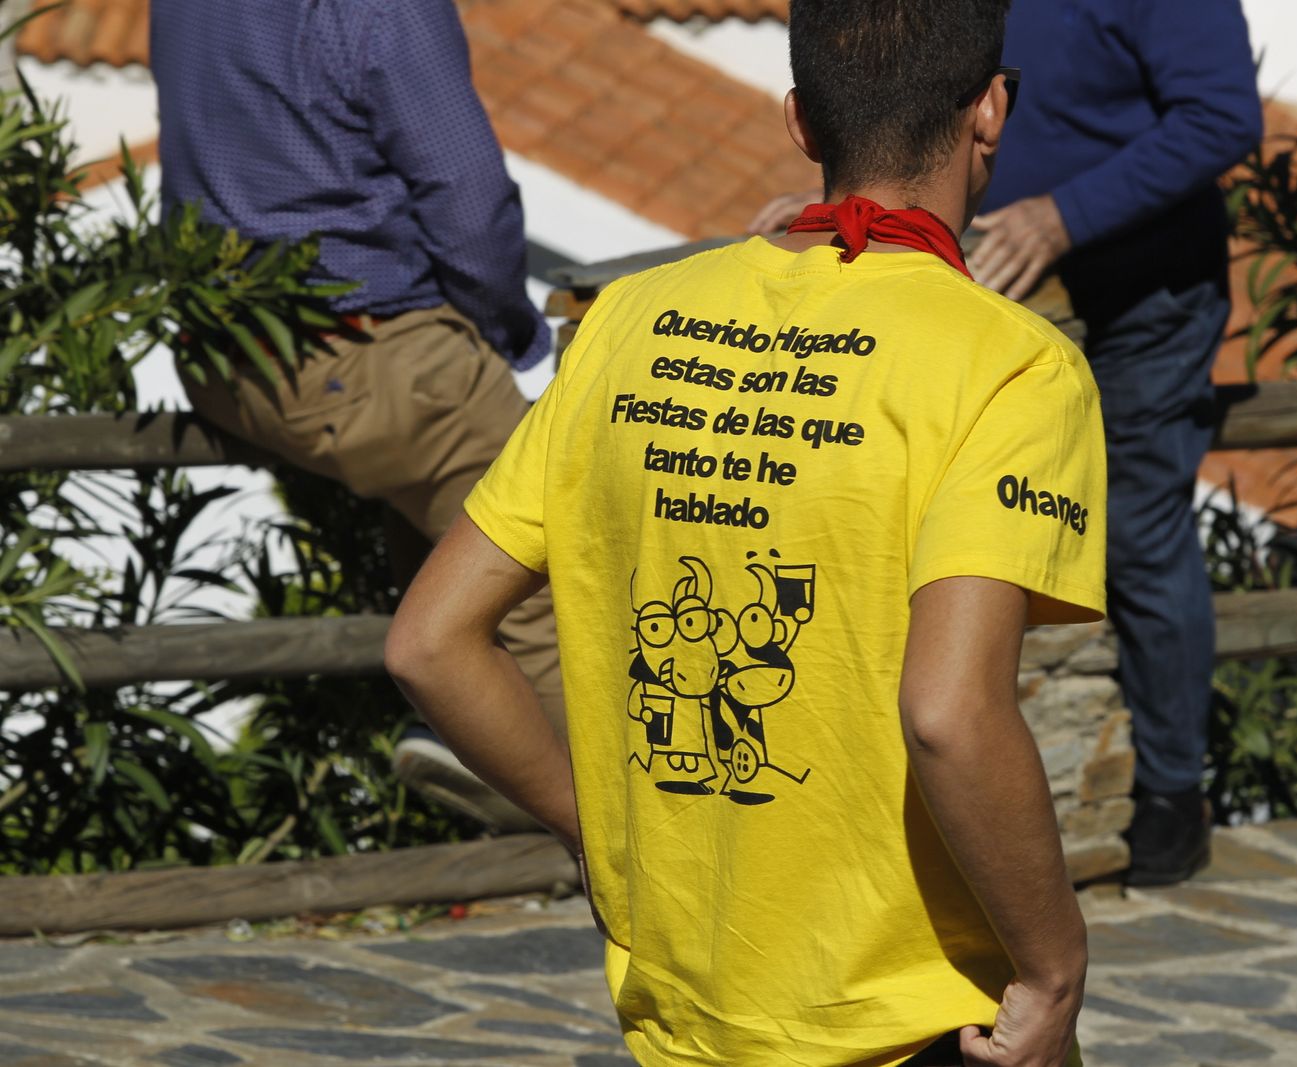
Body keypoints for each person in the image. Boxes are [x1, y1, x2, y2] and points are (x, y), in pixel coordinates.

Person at [385, 0, 1106, 1061]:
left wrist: (602, 831)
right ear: (989, 109)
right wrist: (1053, 967)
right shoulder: (1011, 364)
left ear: (799, 123)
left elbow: (428, 641)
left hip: (687, 1009)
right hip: (917, 1019)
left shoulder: (627, 321)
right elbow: (949, 709)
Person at [752, 0, 1261, 887]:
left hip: (1147, 294)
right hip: (986, 276)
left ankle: (1175, 794)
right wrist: (858, 200)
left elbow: (1222, 116)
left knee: (1136, 529)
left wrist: (1062, 219)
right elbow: (903, 92)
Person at [148, 0, 560, 831]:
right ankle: (614, 844)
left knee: (450, 518)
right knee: (557, 568)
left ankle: (457, 728)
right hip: (358, 346)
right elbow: (467, 195)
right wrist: (510, 331)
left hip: (230, 353)